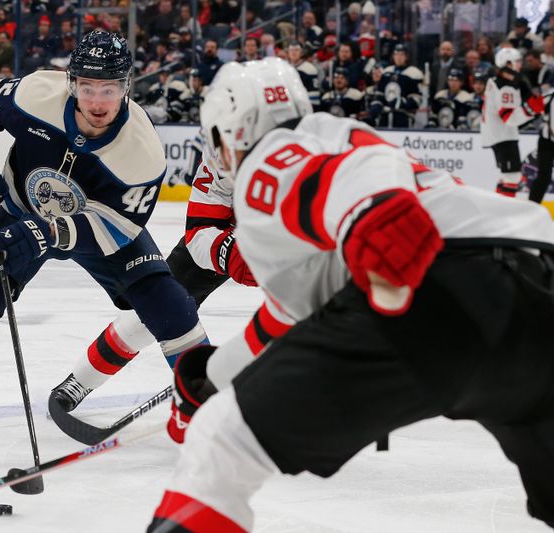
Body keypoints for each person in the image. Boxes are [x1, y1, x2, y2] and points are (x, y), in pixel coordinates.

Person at [148, 57, 554, 532]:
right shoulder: (338, 136)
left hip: (442, 289)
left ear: (231, 132)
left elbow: (348, 187)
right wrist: (206, 383)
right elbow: (284, 319)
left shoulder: (270, 159)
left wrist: (379, 223)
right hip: (537, 283)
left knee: (224, 444)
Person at [0, 31, 208, 465]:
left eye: (109, 89)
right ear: (71, 83)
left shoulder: (142, 151)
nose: (98, 101)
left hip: (100, 225)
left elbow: (121, 226)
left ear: (127, 86)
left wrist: (51, 232)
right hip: (18, 209)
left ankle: (205, 402)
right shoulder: (35, 94)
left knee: (168, 301)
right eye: (88, 88)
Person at [50, 69, 259, 413]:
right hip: (236, 234)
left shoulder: (313, 155)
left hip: (298, 244)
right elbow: (201, 230)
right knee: (154, 310)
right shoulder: (220, 151)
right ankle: (82, 380)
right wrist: (230, 253)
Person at [482, 47, 544, 197]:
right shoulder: (506, 87)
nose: (520, 65)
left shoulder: (496, 80)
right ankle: (504, 212)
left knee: (507, 175)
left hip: (497, 134)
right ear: (507, 64)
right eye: (517, 62)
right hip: (503, 136)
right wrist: (532, 109)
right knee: (513, 176)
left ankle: (499, 207)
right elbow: (510, 119)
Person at [368, 43, 423, 128]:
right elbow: (380, 93)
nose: (399, 57)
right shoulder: (387, 72)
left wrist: (401, 103)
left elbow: (417, 99)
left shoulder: (414, 73)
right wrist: (376, 104)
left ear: (407, 56)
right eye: (396, 54)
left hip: (404, 117)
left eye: (402, 54)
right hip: (385, 117)